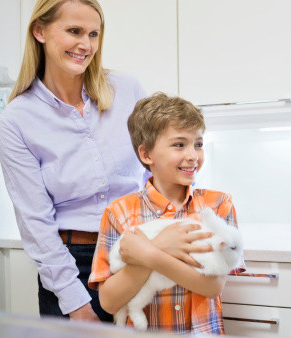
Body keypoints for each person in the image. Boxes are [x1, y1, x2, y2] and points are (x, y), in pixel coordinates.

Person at [0, 0, 154, 321]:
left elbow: (158, 167)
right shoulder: (16, 120)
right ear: (39, 31)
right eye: (74, 31)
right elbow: (35, 223)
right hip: (72, 265)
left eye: (94, 34)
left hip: (137, 254)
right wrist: (75, 303)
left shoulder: (127, 90)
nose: (86, 45)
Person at [88, 92, 245, 334]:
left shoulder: (218, 204)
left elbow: (214, 286)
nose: (193, 155)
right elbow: (109, 302)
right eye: (179, 144)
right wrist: (161, 246)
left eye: (198, 144)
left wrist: (152, 253)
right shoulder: (118, 212)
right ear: (146, 154)